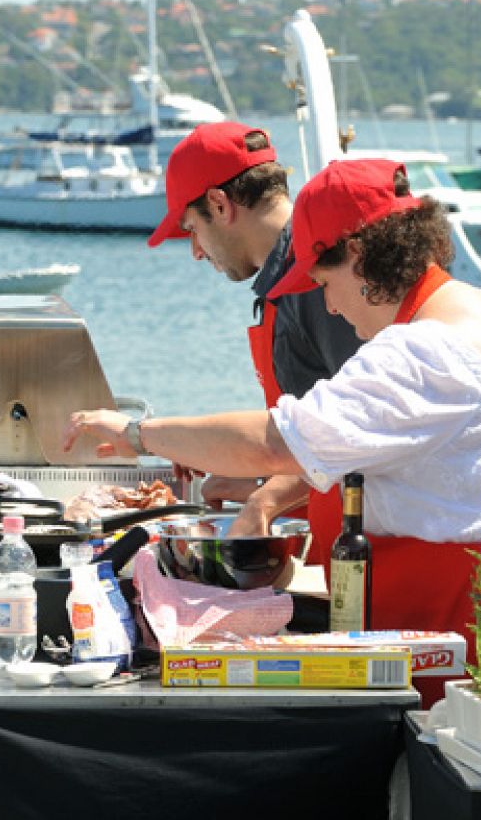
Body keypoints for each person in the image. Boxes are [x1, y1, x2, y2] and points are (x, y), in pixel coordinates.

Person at [69, 158, 481, 702]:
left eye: (324, 282)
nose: (332, 308)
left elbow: (274, 439)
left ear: (361, 257)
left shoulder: (423, 348)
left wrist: (140, 434)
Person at [145, 122, 362, 565]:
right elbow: (303, 437)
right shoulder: (283, 281)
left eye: (192, 230)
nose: (197, 252)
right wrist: (241, 478)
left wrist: (263, 501)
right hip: (336, 543)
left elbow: (358, 434)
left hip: (367, 551)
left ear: (219, 204)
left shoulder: (318, 283)